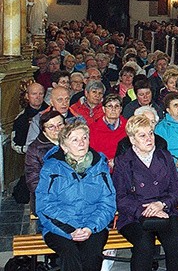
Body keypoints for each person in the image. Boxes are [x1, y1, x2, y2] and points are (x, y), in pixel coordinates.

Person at [35, 121, 116, 271]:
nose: (82, 143)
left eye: (84, 138)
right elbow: (44, 205)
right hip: (59, 227)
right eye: (75, 140)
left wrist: (90, 227)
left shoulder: (100, 165)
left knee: (92, 254)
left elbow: (108, 203)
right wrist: (70, 229)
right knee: (70, 254)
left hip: (93, 226)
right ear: (64, 147)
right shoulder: (51, 168)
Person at [112, 115, 178, 271]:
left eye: (151, 133)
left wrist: (162, 204)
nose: (149, 138)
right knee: (144, 244)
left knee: (176, 242)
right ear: (132, 140)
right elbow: (121, 198)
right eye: (142, 135)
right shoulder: (123, 162)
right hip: (134, 215)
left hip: (166, 210)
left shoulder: (164, 156)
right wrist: (144, 211)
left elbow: (177, 190)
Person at [25, 110, 64, 212]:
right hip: (47, 200)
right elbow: (33, 181)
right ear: (43, 130)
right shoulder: (35, 149)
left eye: (60, 125)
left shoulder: (72, 143)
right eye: (51, 127)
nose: (57, 129)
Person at [89, 94, 127, 168]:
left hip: (122, 166)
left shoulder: (128, 127)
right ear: (103, 109)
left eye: (117, 106)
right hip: (100, 166)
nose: (113, 109)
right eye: (109, 106)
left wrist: (117, 162)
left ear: (121, 109)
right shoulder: (93, 128)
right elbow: (92, 152)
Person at [12, 82, 48, 154]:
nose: (38, 97)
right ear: (27, 96)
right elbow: (15, 144)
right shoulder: (21, 118)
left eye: (40, 94)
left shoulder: (52, 112)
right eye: (34, 94)